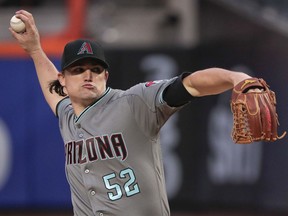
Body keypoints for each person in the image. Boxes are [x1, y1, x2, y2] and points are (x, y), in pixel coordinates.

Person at [10, 10, 256, 216]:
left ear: (106, 76)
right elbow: (52, 91)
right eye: (79, 69)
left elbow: (192, 84)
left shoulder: (134, 102)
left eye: (96, 69)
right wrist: (34, 50)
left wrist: (236, 78)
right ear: (63, 80)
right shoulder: (67, 115)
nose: (88, 75)